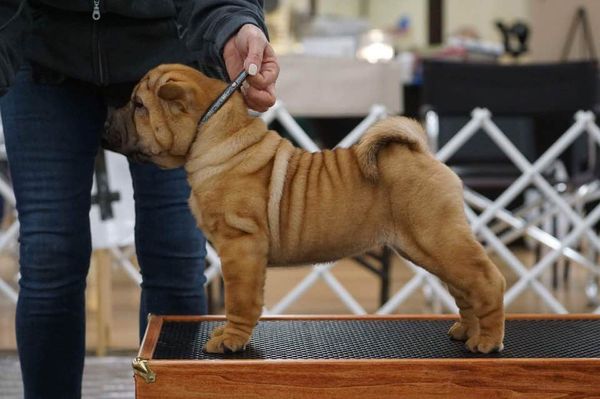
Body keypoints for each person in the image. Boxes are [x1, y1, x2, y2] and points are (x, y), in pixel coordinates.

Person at [0, 1, 279, 398]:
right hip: (44, 55)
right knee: (49, 256)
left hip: (169, 55)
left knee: (177, 257)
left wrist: (235, 24)